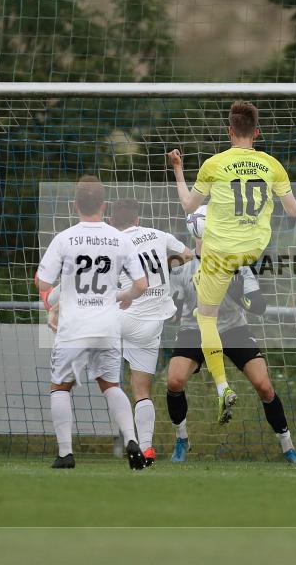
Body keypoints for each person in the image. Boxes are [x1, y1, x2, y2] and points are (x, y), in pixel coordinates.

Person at [169, 100, 296, 424]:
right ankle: (242, 280)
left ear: (230, 131)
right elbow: (294, 211)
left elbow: (188, 205)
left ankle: (222, 387)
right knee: (237, 273)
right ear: (257, 132)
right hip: (254, 247)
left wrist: (177, 168)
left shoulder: (214, 164)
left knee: (205, 315)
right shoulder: (272, 164)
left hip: (218, 251)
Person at [165, 206, 296, 464]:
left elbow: (259, 307)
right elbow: (174, 313)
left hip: (234, 330)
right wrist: (169, 312)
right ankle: (181, 439)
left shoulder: (235, 264)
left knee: (264, 386)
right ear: (196, 231)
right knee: (174, 382)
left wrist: (237, 292)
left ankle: (288, 447)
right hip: (193, 331)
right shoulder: (181, 267)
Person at [35, 176, 149, 470]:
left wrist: (60, 293)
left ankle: (65, 454)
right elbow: (141, 284)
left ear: (75, 206)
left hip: (73, 329)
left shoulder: (64, 238)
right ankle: (131, 441)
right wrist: (123, 296)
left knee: (60, 387)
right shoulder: (120, 238)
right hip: (107, 327)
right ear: (104, 206)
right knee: (111, 384)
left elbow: (43, 282)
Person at [109, 198, 193, 466]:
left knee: (102, 379)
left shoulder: (111, 241)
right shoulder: (158, 234)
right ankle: (146, 448)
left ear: (112, 221)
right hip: (151, 323)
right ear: (137, 219)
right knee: (142, 389)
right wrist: (166, 263)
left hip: (121, 317)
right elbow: (189, 254)